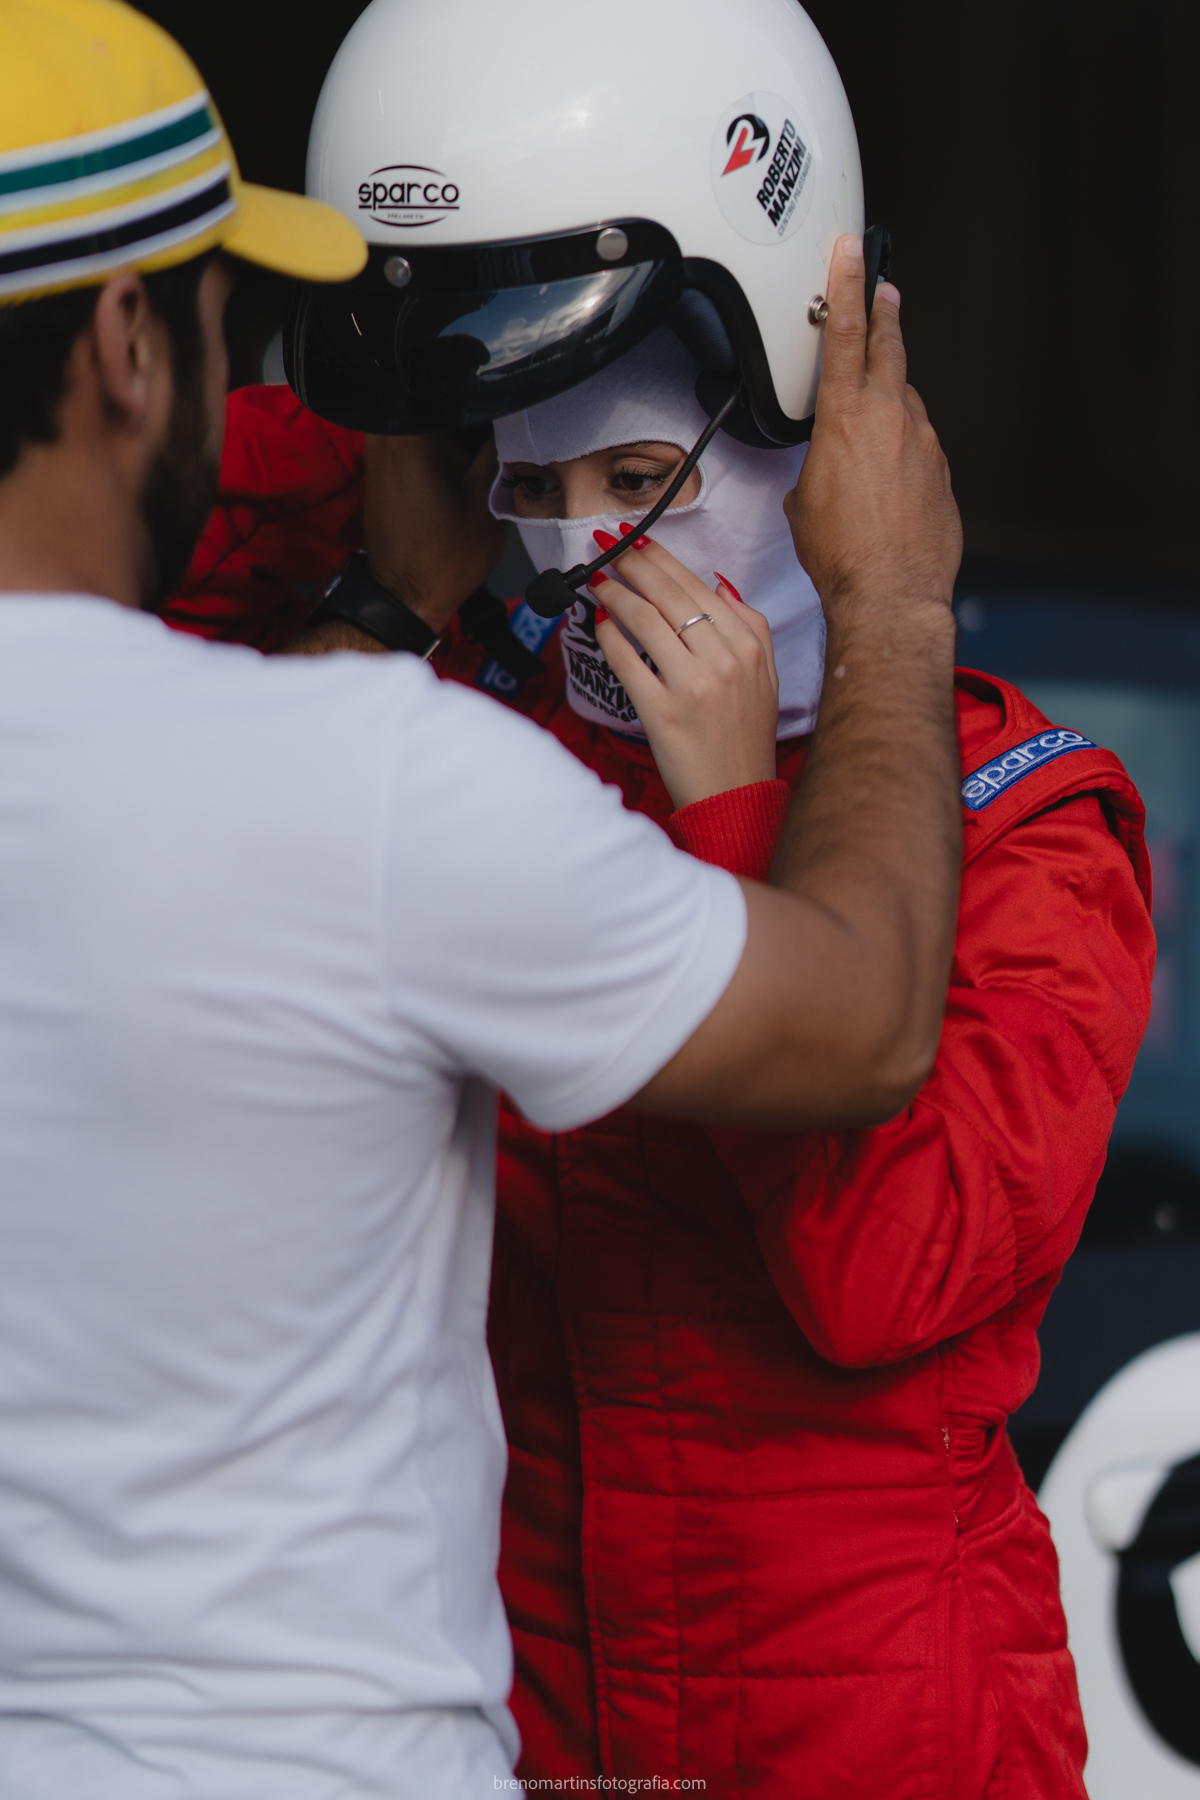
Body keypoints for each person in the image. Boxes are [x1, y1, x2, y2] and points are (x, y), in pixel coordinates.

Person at [0, 5, 966, 1800]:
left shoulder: (335, 736)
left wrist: (379, 593)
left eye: (628, 478)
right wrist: (898, 605)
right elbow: (865, 1015)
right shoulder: (372, 791)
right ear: (128, 344)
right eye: (235, 325)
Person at [172, 272, 1157, 1800]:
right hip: (538, 1714)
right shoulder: (496, 736)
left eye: (640, 481)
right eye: (532, 487)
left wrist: (734, 819)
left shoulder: (1030, 815)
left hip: (883, 1738)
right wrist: (409, 373)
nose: (587, 546)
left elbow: (880, 1274)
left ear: (809, 458)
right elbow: (136, 649)